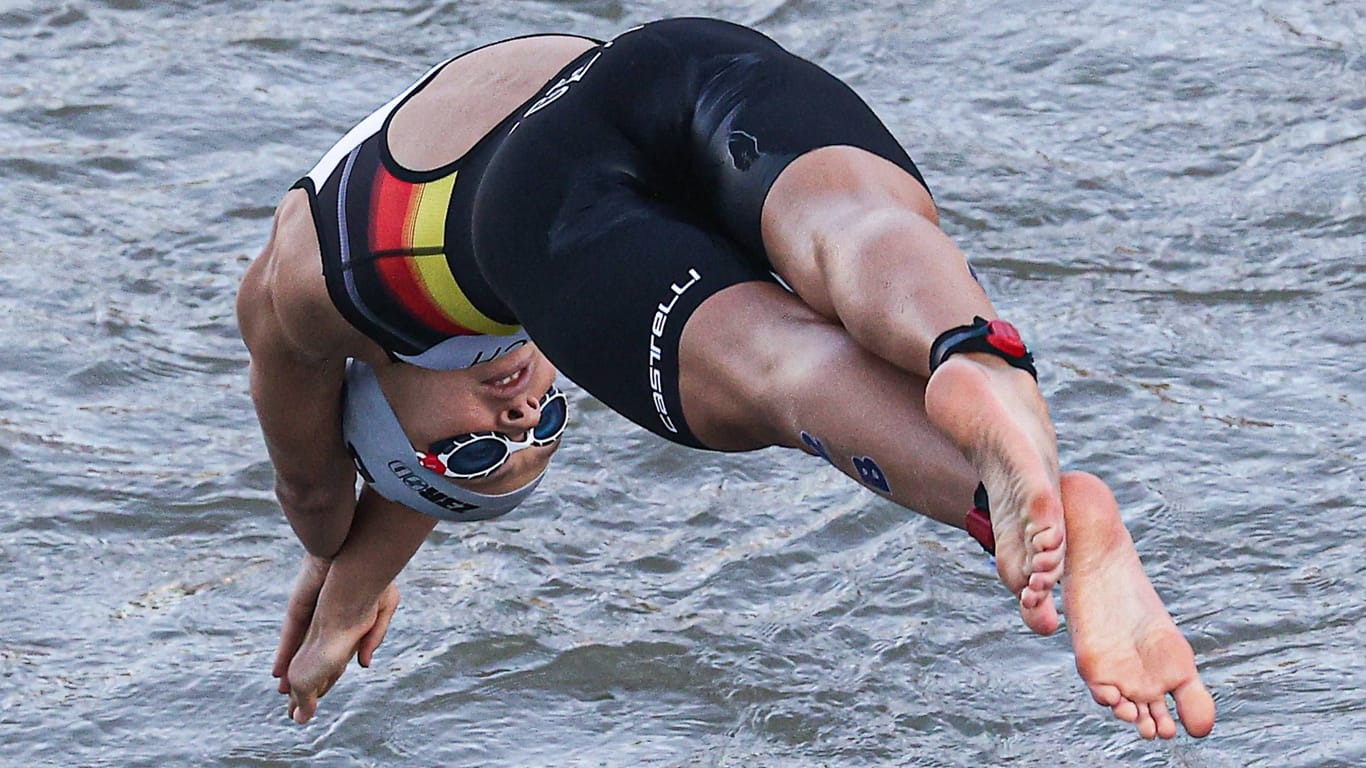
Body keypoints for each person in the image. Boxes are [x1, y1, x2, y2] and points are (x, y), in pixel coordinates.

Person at [237, 17, 1215, 740]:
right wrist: (361, 569)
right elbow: (389, 473)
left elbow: (313, 486)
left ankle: (989, 507)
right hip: (676, 60)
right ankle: (974, 358)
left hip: (540, 202)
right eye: (542, 434)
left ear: (370, 392)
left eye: (477, 450)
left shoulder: (307, 304)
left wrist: (332, 566)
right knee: (858, 229)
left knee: (779, 370)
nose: (528, 414)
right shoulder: (376, 299)